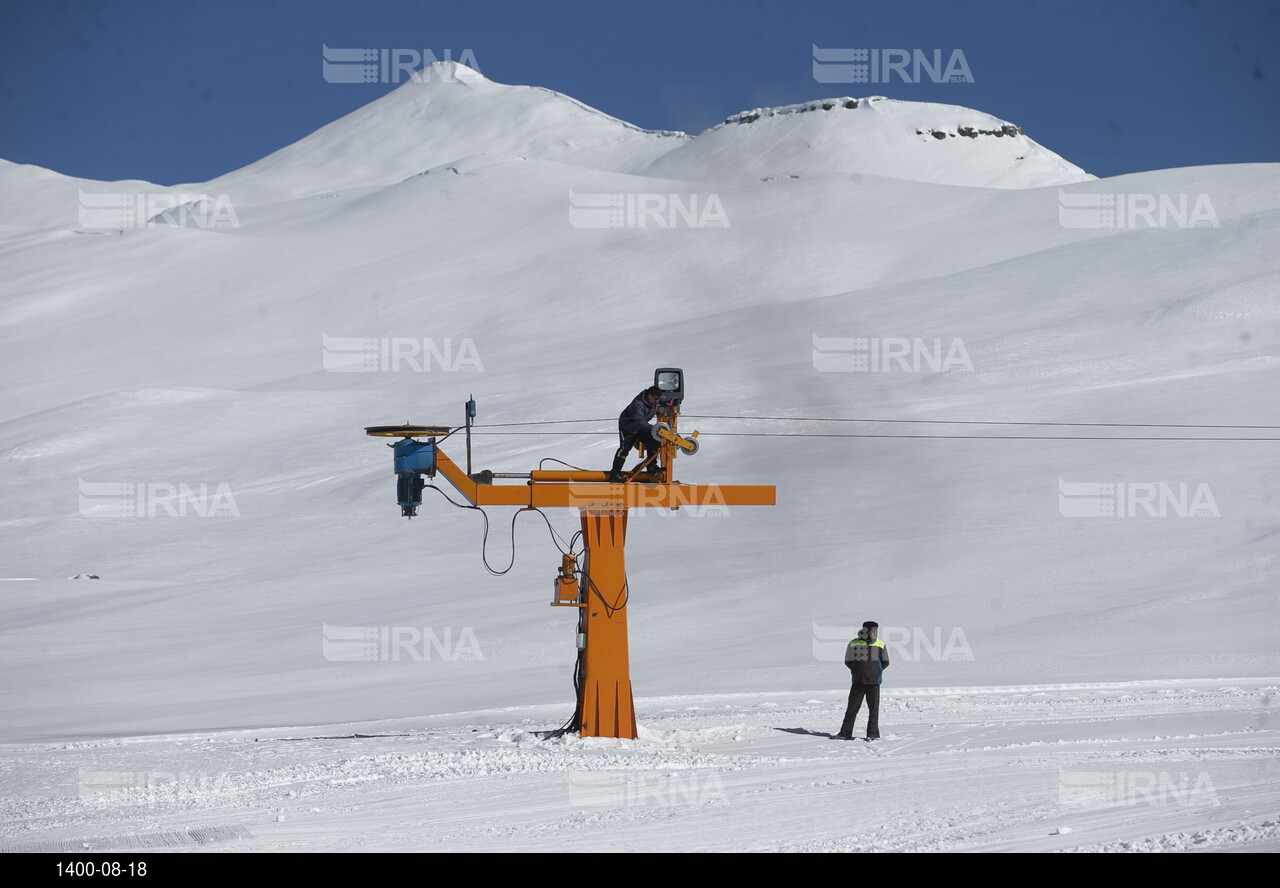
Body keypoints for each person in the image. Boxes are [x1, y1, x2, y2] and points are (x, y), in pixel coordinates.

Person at [834, 621, 889, 741]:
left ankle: (872, 735)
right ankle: (845, 733)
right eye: (871, 631)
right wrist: (856, 671)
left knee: (874, 710)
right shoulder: (854, 643)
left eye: (875, 631)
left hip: (874, 683)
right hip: (858, 682)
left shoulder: (880, 645)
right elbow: (848, 661)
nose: (874, 633)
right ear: (865, 631)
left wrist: (877, 672)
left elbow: (885, 661)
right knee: (852, 709)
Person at [609, 385, 662, 482]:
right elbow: (641, 423)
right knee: (624, 450)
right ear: (649, 395)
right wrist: (656, 429)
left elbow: (664, 399)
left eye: (658, 399)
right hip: (628, 428)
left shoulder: (654, 399)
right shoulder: (638, 404)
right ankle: (615, 474)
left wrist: (673, 401)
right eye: (655, 399)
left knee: (653, 440)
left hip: (640, 428)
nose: (657, 401)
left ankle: (652, 467)